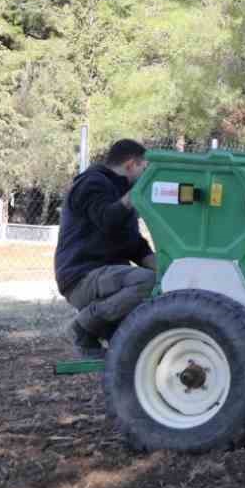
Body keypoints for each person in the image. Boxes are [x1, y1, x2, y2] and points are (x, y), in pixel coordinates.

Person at [55, 139, 156, 358]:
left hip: (107, 277)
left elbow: (132, 243)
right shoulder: (92, 183)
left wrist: (165, 266)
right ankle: (82, 327)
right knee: (149, 282)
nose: (146, 177)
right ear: (131, 164)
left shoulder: (118, 190)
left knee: (135, 348)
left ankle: (97, 331)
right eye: (144, 169)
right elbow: (107, 218)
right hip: (82, 276)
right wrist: (135, 196)